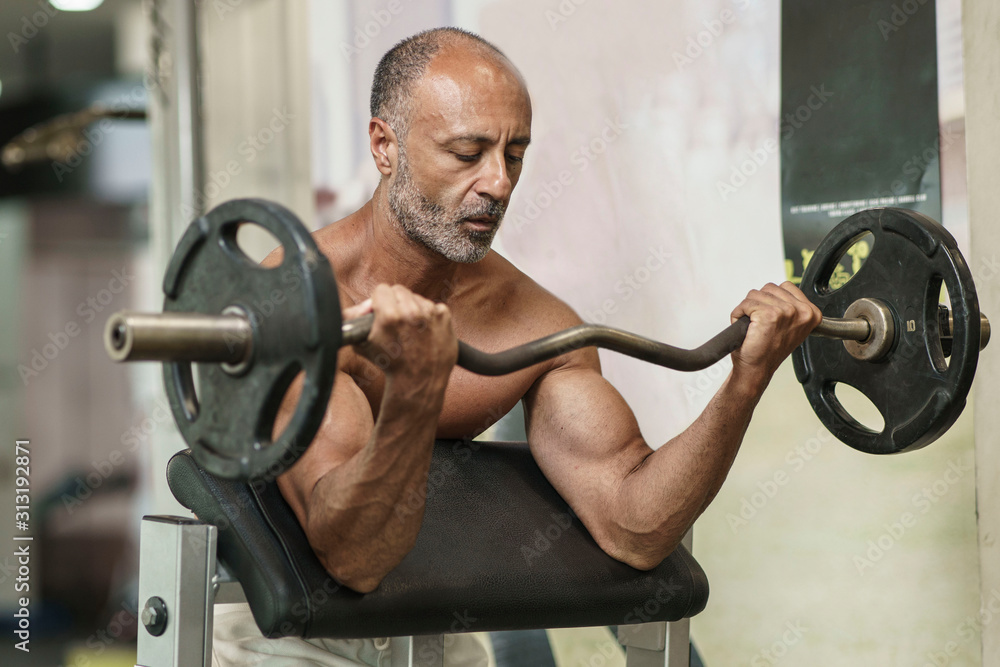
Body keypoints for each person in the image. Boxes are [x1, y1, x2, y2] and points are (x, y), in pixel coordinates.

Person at [211, 26, 821, 667]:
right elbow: (352, 557)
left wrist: (744, 384)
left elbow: (634, 527)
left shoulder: (535, 324)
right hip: (286, 636)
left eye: (515, 154)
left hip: (432, 630)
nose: (499, 184)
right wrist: (416, 391)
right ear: (385, 146)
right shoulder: (299, 304)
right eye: (467, 152)